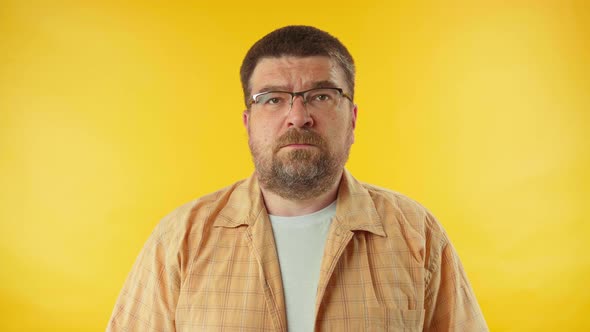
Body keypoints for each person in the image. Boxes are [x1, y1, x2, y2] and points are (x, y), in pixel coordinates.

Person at [107, 25, 488, 331]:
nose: (298, 116)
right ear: (248, 123)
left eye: (321, 95)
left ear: (352, 119)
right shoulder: (180, 239)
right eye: (273, 98)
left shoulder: (416, 234)